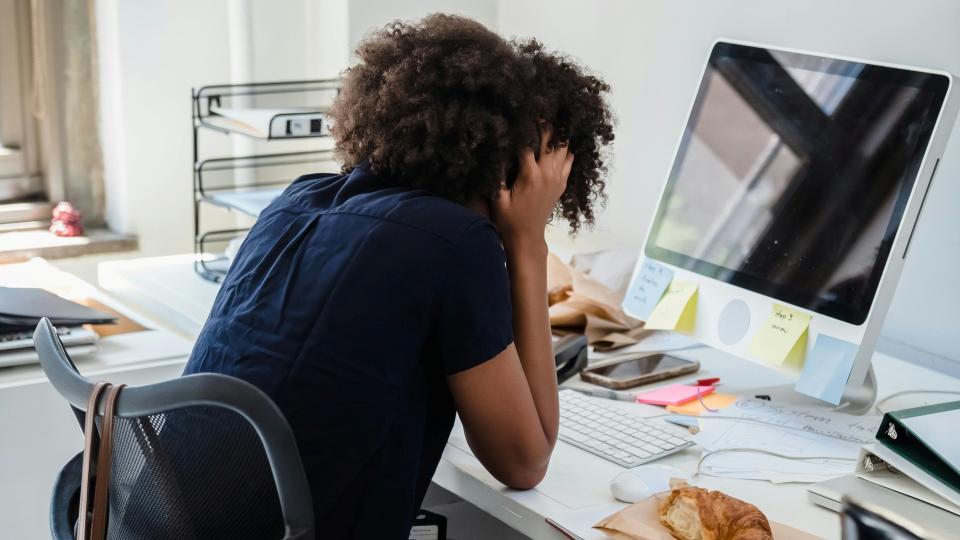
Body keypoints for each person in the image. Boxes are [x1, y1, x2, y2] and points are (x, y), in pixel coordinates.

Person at [184, 13, 613, 538]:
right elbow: (525, 462)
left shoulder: (298, 199)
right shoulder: (454, 242)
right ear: (510, 171)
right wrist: (527, 243)